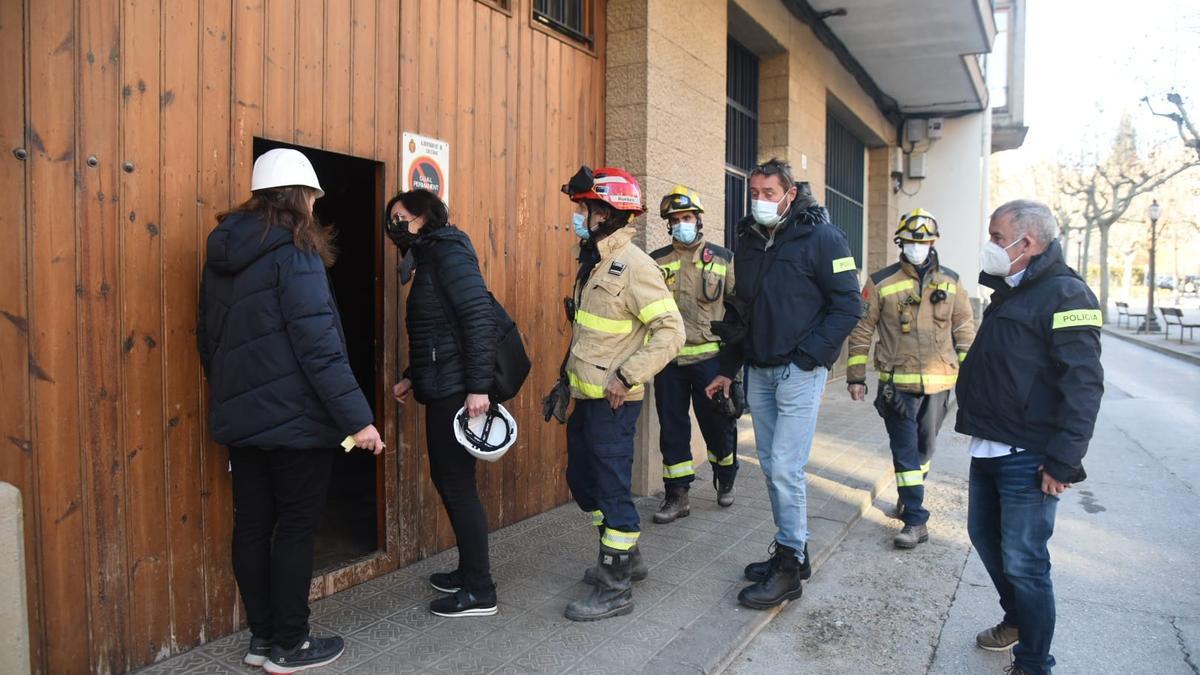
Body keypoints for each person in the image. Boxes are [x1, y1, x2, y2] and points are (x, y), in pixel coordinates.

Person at [198, 148, 384, 674]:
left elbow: (208, 340)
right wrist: (358, 420)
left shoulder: (221, 254)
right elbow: (318, 347)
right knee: (297, 527)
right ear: (303, 197)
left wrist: (233, 395)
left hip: (242, 418)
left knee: (252, 524)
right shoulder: (296, 253)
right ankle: (291, 645)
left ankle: (262, 639)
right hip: (298, 420)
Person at [705, 158, 861, 610]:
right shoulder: (749, 240)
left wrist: (810, 357)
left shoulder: (824, 237)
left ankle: (789, 568)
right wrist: (725, 368)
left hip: (797, 372)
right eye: (753, 192)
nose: (759, 200)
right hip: (758, 371)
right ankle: (795, 549)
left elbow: (849, 306)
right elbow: (741, 312)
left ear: (790, 194)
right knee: (773, 467)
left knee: (786, 469)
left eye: (768, 193)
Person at [956, 200, 1103, 675]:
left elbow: (1083, 384)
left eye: (998, 237)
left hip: (1029, 453)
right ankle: (1017, 618)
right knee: (984, 537)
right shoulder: (1012, 288)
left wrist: (1063, 460)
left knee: (1026, 562)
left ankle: (1035, 663)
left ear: (1029, 243)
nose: (991, 245)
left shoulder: (1067, 295)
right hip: (992, 443)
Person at [556, 165, 684, 621]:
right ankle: (626, 557)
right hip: (586, 397)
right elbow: (591, 335)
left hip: (614, 402)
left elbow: (672, 331)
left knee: (611, 492)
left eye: (587, 208)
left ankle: (615, 587)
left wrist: (628, 376)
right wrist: (564, 378)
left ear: (607, 213)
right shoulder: (592, 262)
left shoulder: (635, 266)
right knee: (584, 483)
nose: (580, 216)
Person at [386, 189, 501, 618]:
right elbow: (438, 331)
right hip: (444, 386)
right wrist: (413, 376)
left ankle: (480, 590)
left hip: (458, 393)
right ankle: (470, 571)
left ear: (423, 217)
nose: (394, 227)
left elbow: (477, 318)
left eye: (400, 218)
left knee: (456, 486)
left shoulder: (448, 252)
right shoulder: (430, 255)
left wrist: (478, 387)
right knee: (453, 484)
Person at [845, 208, 975, 548]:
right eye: (911, 241)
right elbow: (862, 330)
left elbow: (963, 327)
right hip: (896, 385)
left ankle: (909, 495)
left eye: (923, 241)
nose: (917, 246)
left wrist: (971, 374)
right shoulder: (881, 282)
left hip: (938, 383)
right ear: (899, 242)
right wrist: (856, 376)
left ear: (932, 243)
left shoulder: (951, 281)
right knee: (904, 452)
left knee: (925, 449)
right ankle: (916, 520)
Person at [648, 186, 739, 523]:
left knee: (717, 427)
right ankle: (677, 495)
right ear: (668, 225)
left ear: (698, 220)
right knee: (672, 429)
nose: (681, 224)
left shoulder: (724, 259)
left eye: (686, 218)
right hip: (669, 362)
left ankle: (726, 473)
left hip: (710, 363)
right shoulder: (655, 262)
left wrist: (733, 364)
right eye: (675, 220)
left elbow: (738, 312)